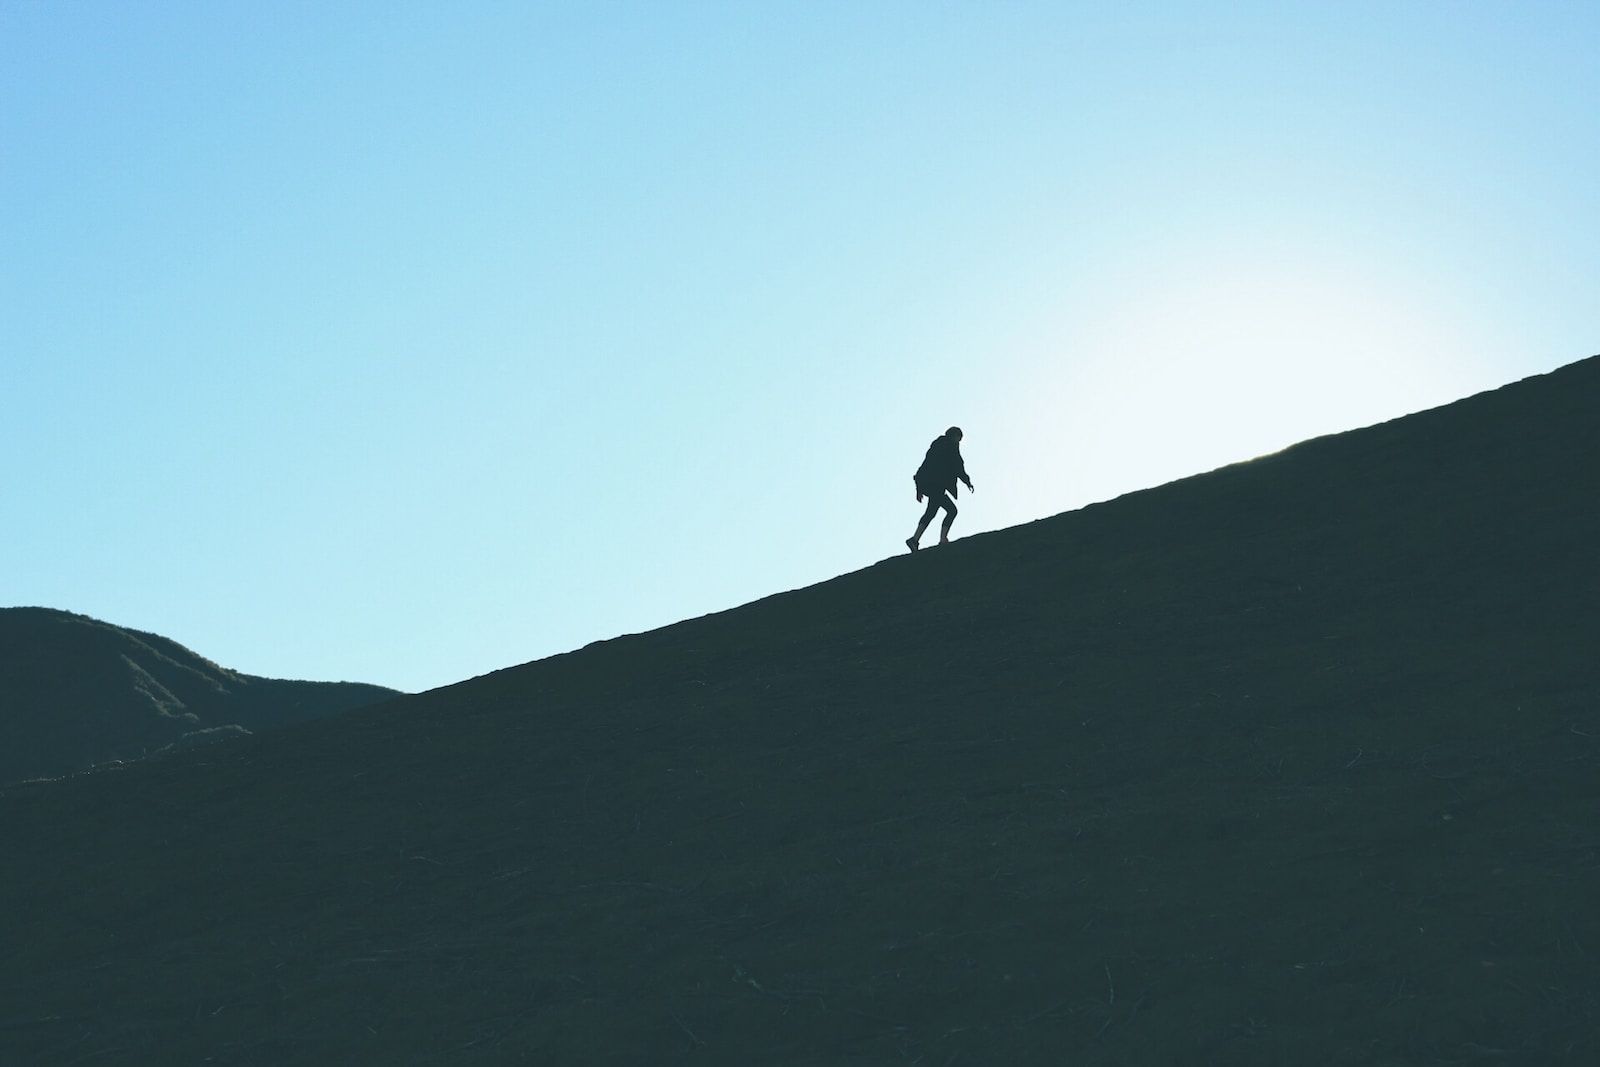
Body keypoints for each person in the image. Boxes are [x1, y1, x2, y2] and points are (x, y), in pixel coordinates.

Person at [906, 426, 974, 552]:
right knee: (951, 511)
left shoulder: (937, 446)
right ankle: (942, 539)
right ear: (955, 436)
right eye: (959, 439)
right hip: (937, 486)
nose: (959, 442)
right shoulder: (951, 448)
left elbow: (925, 466)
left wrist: (919, 488)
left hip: (931, 486)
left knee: (931, 512)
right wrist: (967, 481)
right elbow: (958, 466)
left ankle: (914, 540)